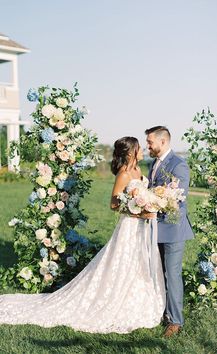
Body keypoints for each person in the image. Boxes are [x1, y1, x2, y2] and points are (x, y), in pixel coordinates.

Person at [0, 136, 165, 334]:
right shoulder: (123, 174)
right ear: (130, 152)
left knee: (139, 262)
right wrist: (138, 211)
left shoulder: (139, 170)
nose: (142, 150)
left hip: (142, 227)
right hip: (129, 225)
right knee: (123, 262)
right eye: (139, 148)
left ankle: (138, 299)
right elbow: (113, 204)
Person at [145, 126, 194, 338]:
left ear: (162, 142)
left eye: (150, 142)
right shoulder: (153, 163)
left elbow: (176, 198)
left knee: (172, 275)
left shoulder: (179, 165)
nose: (147, 145)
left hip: (172, 229)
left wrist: (151, 201)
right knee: (158, 272)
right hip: (155, 226)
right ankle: (162, 311)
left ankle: (175, 321)